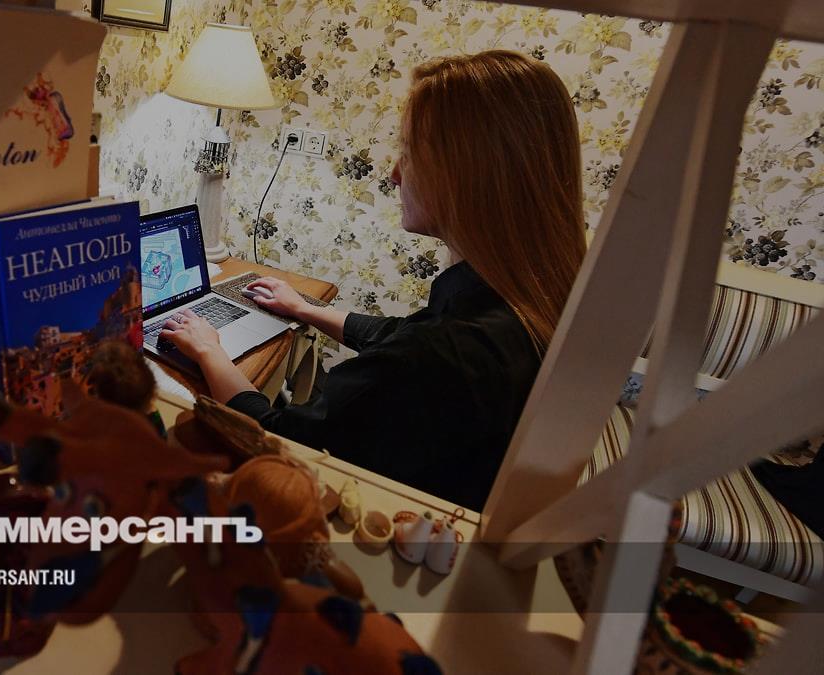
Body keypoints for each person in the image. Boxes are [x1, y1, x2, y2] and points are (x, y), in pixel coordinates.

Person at [160, 51, 587, 510]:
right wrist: (309, 309)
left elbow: (279, 441)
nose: (395, 174)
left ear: (464, 176)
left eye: (408, 153)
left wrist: (210, 351)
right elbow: (401, 333)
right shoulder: (523, 300)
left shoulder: (442, 355)